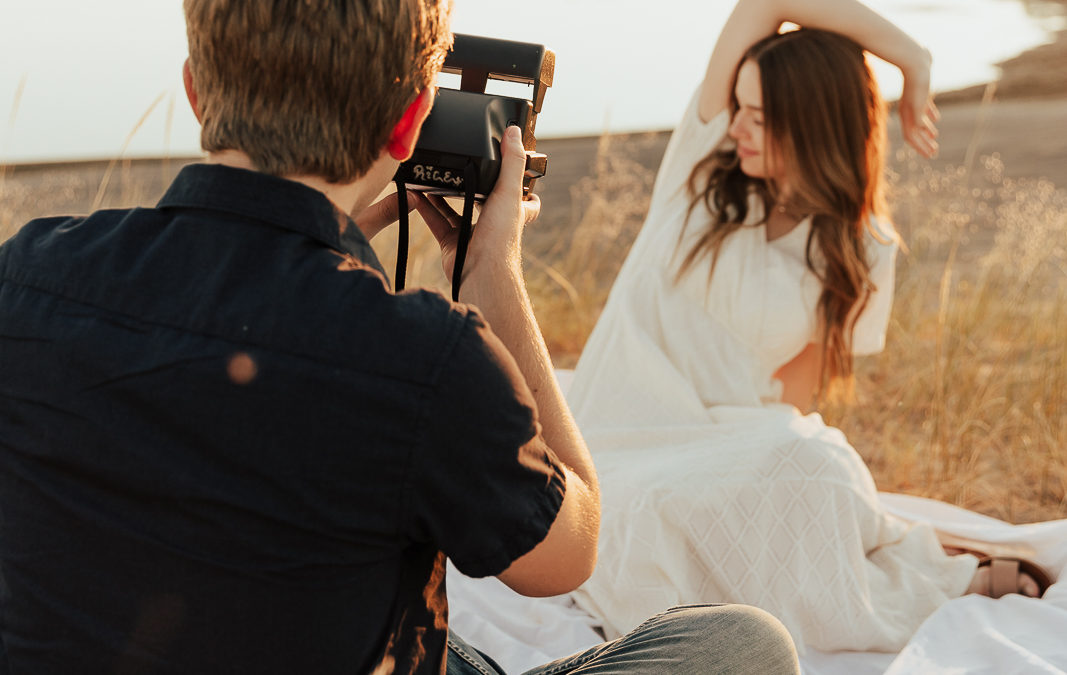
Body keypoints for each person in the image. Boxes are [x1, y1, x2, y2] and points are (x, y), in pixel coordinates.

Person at [0, 1, 801, 673]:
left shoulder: (26, 273)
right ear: (412, 119)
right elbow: (570, 551)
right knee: (744, 644)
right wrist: (495, 279)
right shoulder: (427, 359)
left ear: (195, 93)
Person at [564, 0, 1053, 655]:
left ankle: (912, 560)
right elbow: (764, 3)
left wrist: (772, 479)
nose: (736, 124)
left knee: (816, 466)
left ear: (812, 126)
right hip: (620, 434)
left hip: (724, 443)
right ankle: (896, 551)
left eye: (758, 117)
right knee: (646, 523)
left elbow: (788, 405)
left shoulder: (860, 247)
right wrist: (912, 56)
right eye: (737, 105)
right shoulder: (697, 172)